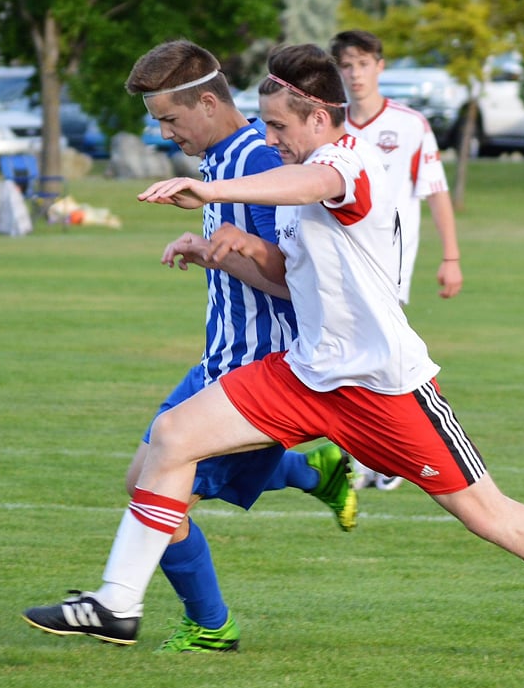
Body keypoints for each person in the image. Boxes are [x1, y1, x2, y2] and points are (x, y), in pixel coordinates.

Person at [24, 43, 524, 671]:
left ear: (320, 117)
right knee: (171, 437)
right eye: (264, 125)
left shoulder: (349, 163)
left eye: (280, 126)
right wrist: (220, 249)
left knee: (491, 516)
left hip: (383, 387)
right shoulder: (298, 168)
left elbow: (312, 185)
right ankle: (118, 603)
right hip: (306, 372)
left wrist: (216, 192)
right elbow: (290, 271)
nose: (272, 139)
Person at [22, 40, 356, 653]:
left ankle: (186, 618)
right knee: (144, 481)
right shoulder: (221, 159)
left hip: (262, 372)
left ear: (208, 102)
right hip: (219, 360)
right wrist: (210, 250)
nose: (164, 133)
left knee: (160, 489)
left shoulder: (261, 163)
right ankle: (312, 475)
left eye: (170, 120)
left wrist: (228, 251)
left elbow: (292, 281)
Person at [330, 30, 463, 491]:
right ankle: (369, 459)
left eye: (363, 63)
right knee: (349, 358)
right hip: (335, 265)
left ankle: (389, 458)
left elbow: (436, 192)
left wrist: (451, 256)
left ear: (380, 66)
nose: (355, 74)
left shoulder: (410, 125)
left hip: (388, 266)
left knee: (380, 359)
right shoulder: (329, 125)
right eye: (346, 66)